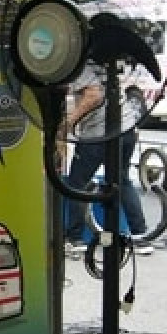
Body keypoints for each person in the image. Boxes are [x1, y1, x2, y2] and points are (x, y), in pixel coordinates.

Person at [61, 61, 153, 255]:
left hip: (99, 135)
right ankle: (140, 236)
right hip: (126, 129)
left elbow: (94, 94)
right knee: (122, 180)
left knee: (76, 183)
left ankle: (75, 238)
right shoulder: (104, 61)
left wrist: (69, 122)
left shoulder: (80, 65)